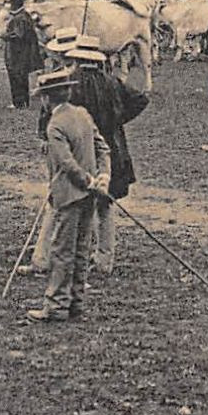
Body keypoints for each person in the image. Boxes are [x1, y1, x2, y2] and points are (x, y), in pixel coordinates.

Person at [26, 67, 110, 323]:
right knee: (82, 250)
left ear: (46, 98)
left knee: (62, 251)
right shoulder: (83, 114)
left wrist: (87, 180)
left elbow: (66, 162)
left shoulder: (54, 125)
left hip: (71, 195)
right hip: (90, 196)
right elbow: (102, 147)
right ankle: (75, 303)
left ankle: (56, 306)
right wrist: (102, 177)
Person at [68, 43, 149, 275]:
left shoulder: (72, 83)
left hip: (83, 150)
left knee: (78, 204)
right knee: (105, 205)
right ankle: (105, 257)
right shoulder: (111, 82)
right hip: (113, 149)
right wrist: (119, 119)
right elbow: (141, 99)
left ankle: (79, 254)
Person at [2, 0, 42, 109]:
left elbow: (18, 35)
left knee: (17, 77)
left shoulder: (20, 18)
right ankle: (23, 102)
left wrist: (5, 36)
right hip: (22, 52)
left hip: (18, 53)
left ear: (15, 5)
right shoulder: (24, 16)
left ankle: (19, 103)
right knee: (21, 77)